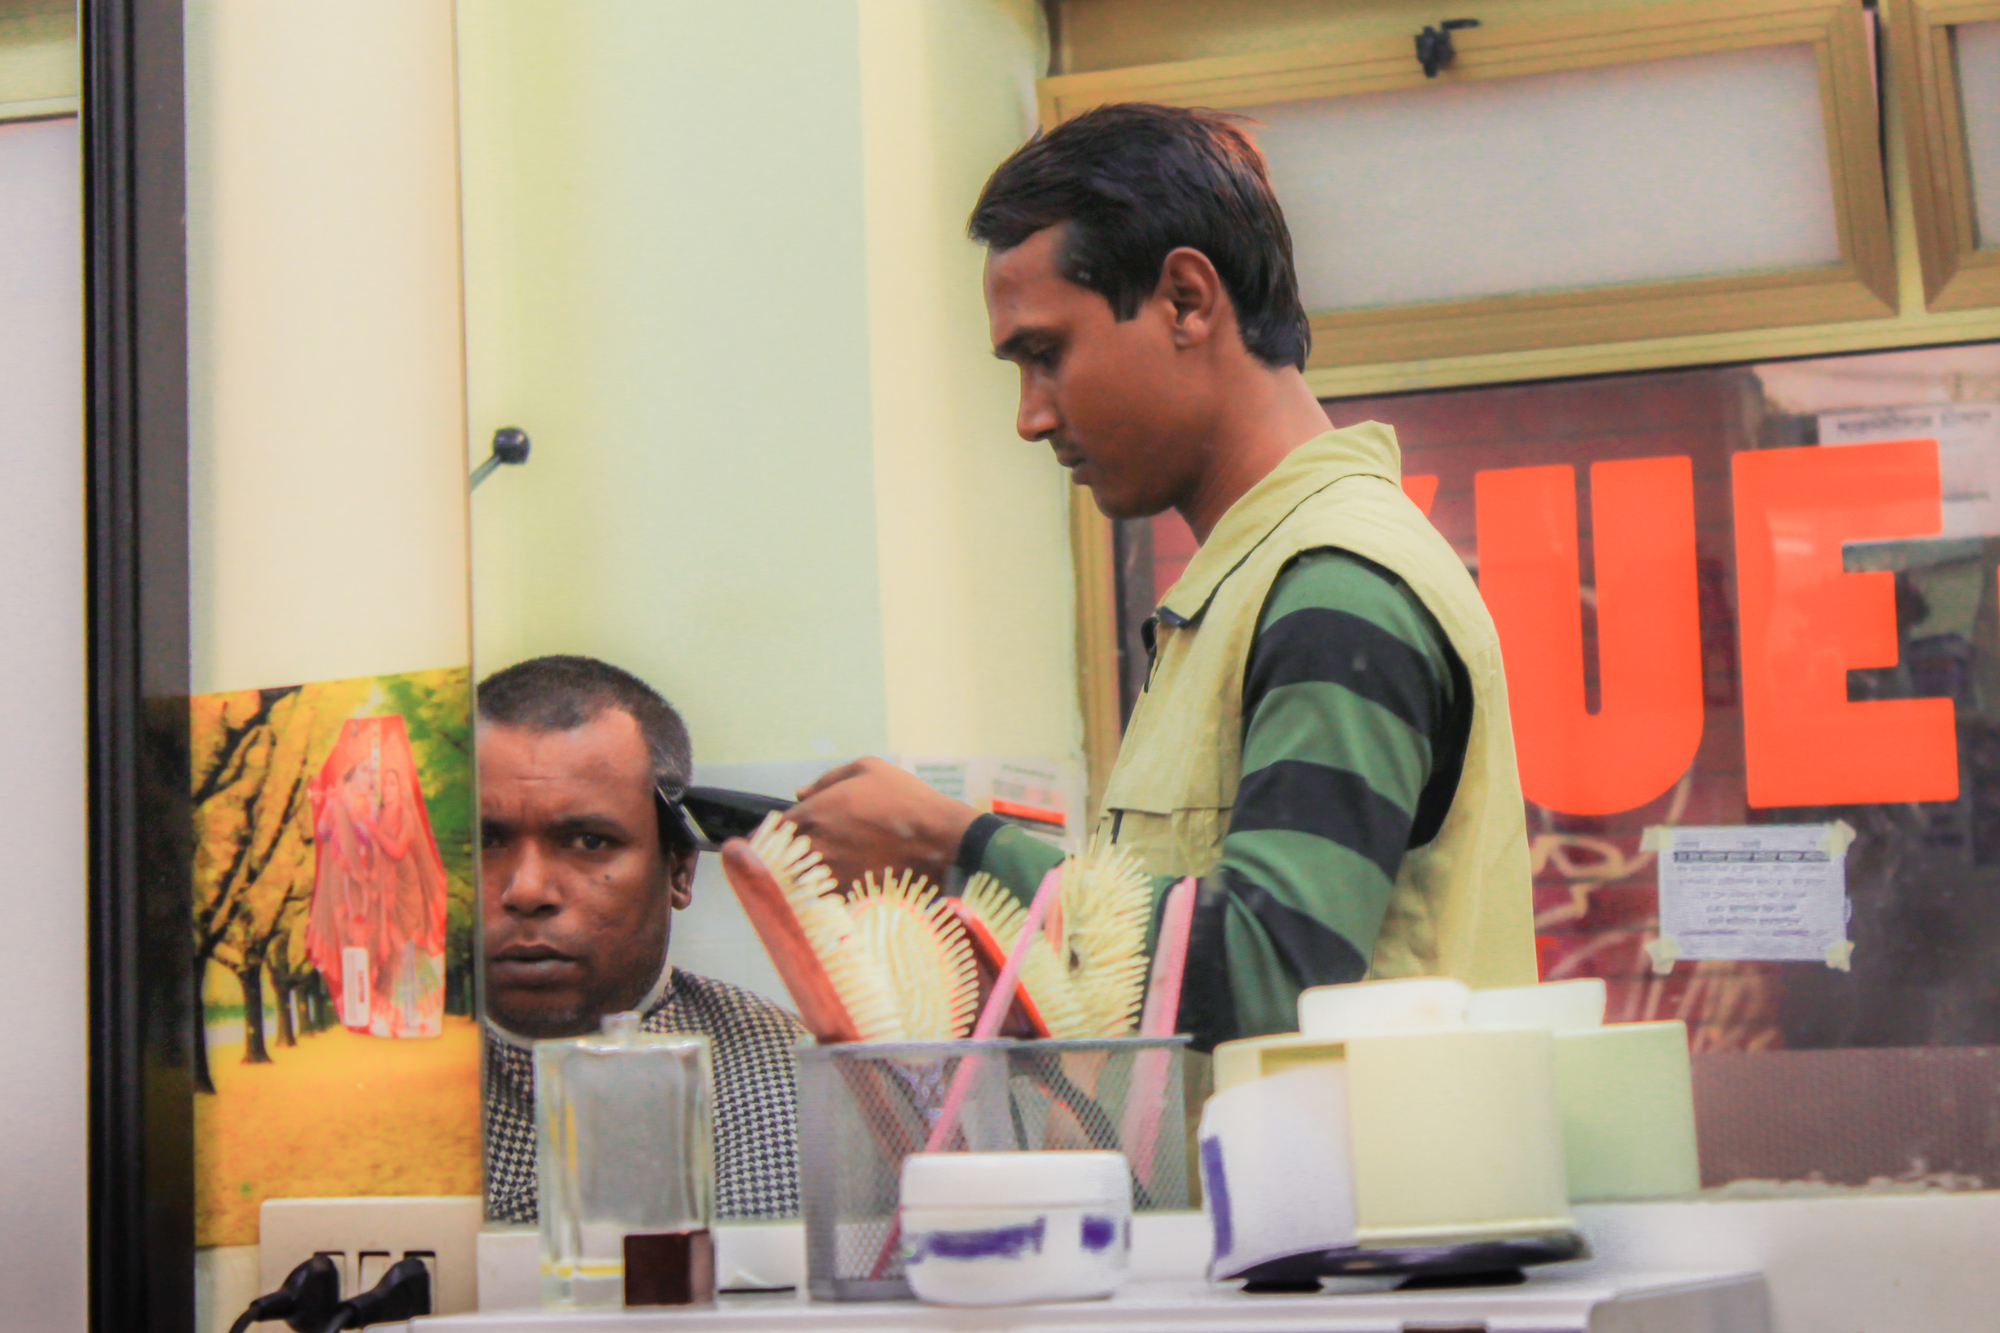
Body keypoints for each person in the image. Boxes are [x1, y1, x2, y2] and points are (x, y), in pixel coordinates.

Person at [790, 103, 1535, 1053]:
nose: (1028, 415)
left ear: (1187, 299)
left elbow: (1273, 976)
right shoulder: (1254, 588)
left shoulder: (1336, 585)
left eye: (1046, 354)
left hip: (1344, 1199)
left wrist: (956, 847)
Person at [478, 654, 804, 1223]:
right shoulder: (381, 1094)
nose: (525, 891)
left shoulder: (799, 1093)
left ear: (679, 868)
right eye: (483, 841)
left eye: (586, 840)